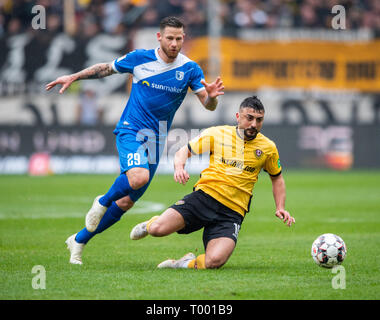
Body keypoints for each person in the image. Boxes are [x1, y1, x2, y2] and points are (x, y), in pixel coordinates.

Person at [45, 16, 224, 265]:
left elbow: (208, 104)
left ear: (184, 39)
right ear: (159, 38)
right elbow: (105, 68)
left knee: (128, 201)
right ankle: (102, 201)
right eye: (170, 38)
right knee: (137, 177)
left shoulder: (190, 69)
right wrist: (73, 77)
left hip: (155, 140)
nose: (174, 43)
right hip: (131, 130)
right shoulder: (140, 58)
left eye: (179, 38)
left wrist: (213, 98)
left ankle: (79, 239)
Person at [130, 96, 295, 269]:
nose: (254, 124)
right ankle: (150, 224)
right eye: (249, 118)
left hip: (232, 212)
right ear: (238, 117)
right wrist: (179, 167)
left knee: (214, 262)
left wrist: (280, 207)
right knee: (158, 230)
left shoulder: (268, 148)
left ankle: (184, 263)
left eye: (259, 120)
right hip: (204, 198)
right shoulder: (217, 133)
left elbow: (277, 178)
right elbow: (182, 152)